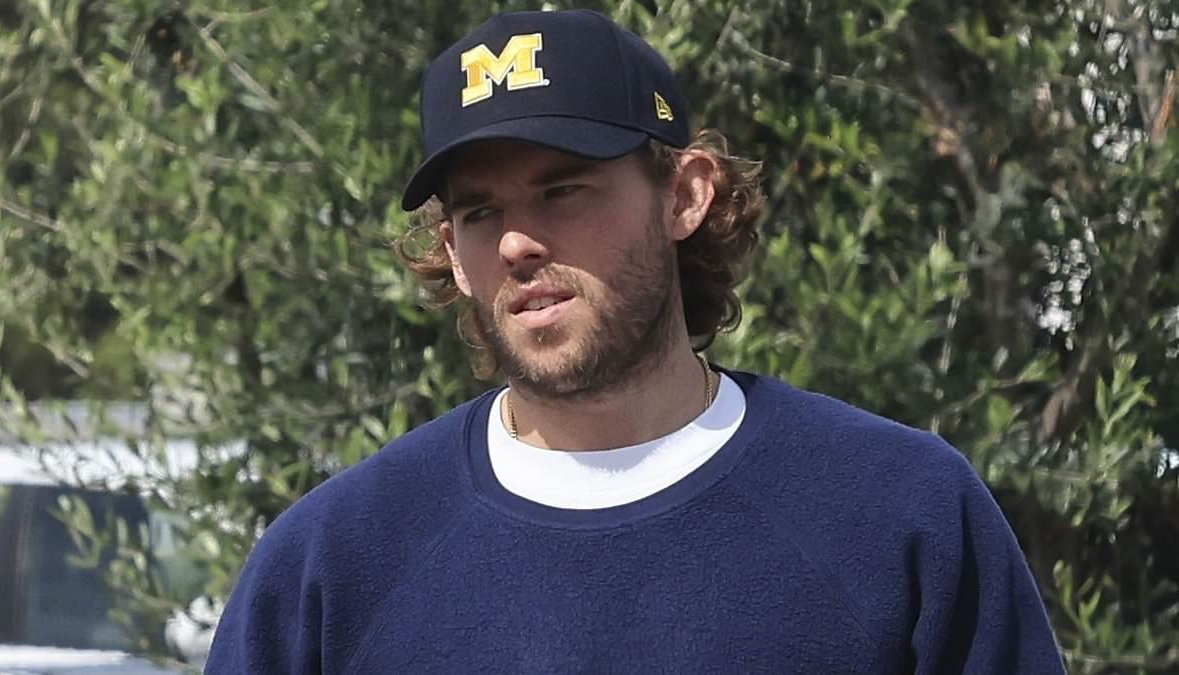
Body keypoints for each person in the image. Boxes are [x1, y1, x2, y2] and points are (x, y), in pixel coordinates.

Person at [206, 9, 1066, 673]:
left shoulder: (901, 514)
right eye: (480, 211)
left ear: (685, 195)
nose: (517, 242)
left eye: (564, 190)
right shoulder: (331, 566)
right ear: (453, 256)